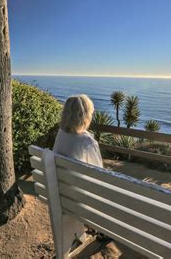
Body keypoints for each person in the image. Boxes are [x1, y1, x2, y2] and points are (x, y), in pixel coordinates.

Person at [53, 94, 103, 256]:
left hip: (60, 195)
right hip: (80, 201)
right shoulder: (87, 142)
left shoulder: (61, 134)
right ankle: (101, 230)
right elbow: (99, 177)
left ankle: (78, 232)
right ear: (86, 115)